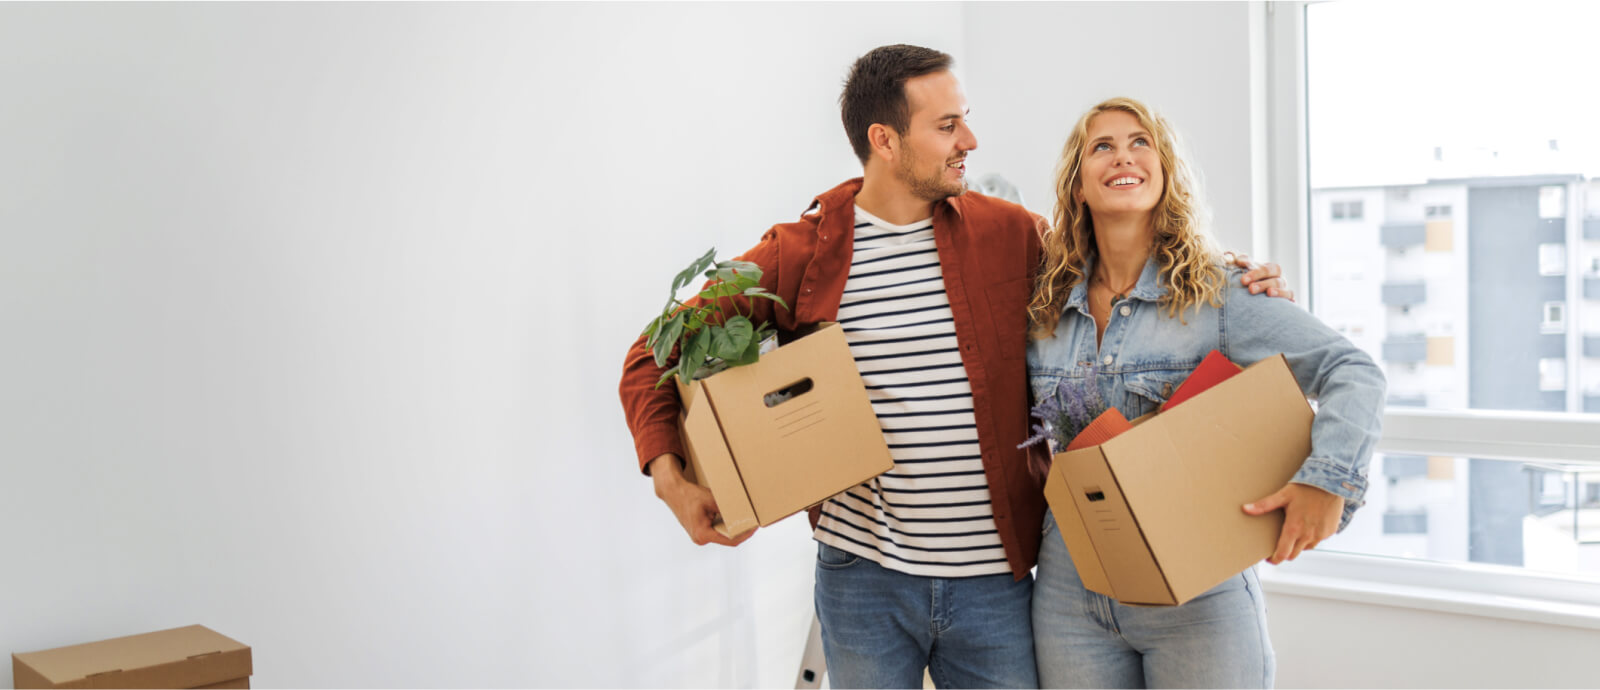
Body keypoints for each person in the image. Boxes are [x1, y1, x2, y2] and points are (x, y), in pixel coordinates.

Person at [618, 47, 1290, 688]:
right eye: (947, 125)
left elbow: (1116, 258)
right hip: (862, 580)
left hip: (997, 585)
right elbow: (654, 351)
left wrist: (1230, 275)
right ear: (885, 140)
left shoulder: (1011, 234)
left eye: (965, 117)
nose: (969, 139)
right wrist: (671, 481)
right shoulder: (804, 251)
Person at [1025, 96, 1386, 689]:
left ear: (1165, 172)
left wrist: (1326, 482)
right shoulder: (1040, 308)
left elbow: (1354, 372)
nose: (1125, 156)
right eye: (1103, 145)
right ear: (1078, 185)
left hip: (1197, 598)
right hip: (1070, 596)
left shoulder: (1221, 294)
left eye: (1141, 142)